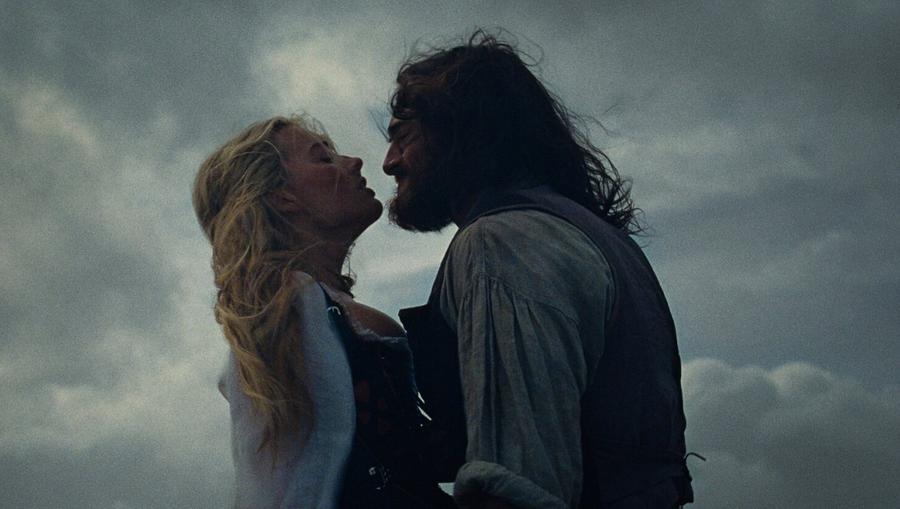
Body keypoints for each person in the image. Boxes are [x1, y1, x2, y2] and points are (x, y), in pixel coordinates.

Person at [382, 32, 695, 508]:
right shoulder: (598, 238)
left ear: (461, 131)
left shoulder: (500, 243)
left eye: (403, 138)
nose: (389, 163)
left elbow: (517, 484)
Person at [193, 115, 454, 508]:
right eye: (323, 158)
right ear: (283, 198)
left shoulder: (302, 313)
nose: (354, 162)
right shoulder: (292, 316)